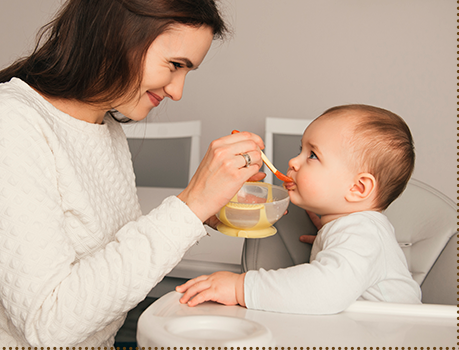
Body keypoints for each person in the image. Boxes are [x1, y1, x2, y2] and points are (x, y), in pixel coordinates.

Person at [0, 0, 267, 347]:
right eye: (175, 64)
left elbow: (108, 266)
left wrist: (203, 209)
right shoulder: (6, 123)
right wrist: (189, 206)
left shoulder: (103, 125)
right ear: (119, 34)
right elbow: (50, 323)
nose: (177, 91)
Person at [176, 104, 422, 314]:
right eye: (300, 150)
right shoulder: (355, 229)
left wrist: (240, 288)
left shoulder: (362, 234)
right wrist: (329, 235)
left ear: (358, 188)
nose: (294, 161)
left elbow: (325, 291)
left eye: (312, 155)